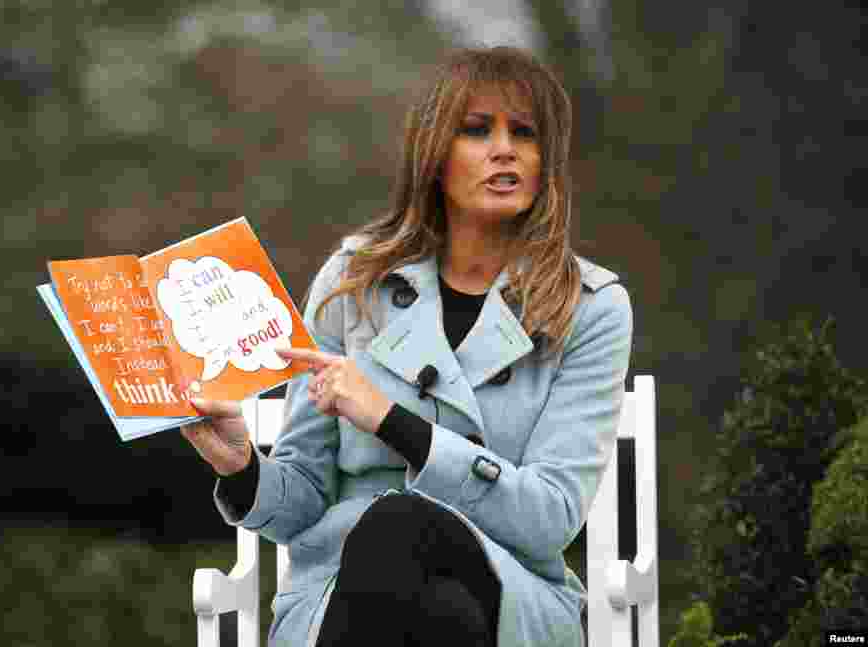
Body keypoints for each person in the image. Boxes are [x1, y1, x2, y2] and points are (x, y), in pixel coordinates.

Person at [181, 46, 633, 647]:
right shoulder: (353, 281)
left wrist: (391, 420)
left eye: (524, 134)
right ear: (434, 155)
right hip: (351, 592)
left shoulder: (591, 308)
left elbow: (548, 518)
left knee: (400, 524)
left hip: (511, 591)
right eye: (477, 131)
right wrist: (240, 467)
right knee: (435, 610)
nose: (506, 150)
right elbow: (303, 503)